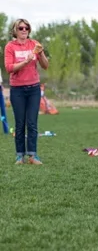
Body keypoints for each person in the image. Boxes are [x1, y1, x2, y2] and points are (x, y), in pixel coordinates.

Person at [3, 18, 50, 165]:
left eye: (26, 28)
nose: (24, 30)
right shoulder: (10, 46)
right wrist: (26, 61)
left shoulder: (34, 44)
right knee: (19, 124)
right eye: (21, 28)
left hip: (33, 89)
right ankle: (19, 156)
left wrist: (41, 53)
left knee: (32, 123)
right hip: (17, 89)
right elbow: (9, 68)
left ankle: (32, 156)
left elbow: (45, 66)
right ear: (15, 31)